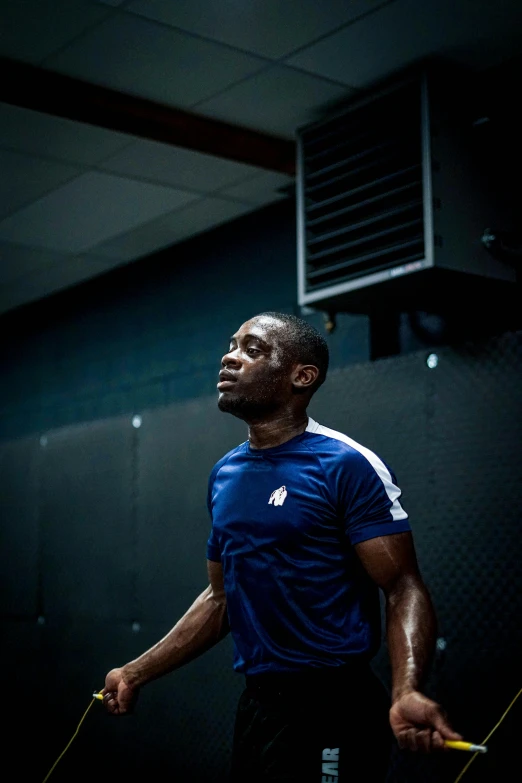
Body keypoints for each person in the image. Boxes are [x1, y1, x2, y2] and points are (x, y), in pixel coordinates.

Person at [102, 311, 461, 781]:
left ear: (302, 376)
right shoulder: (225, 475)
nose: (229, 358)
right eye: (231, 346)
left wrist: (406, 689)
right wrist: (135, 672)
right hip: (258, 706)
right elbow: (220, 598)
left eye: (252, 350)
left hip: (333, 705)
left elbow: (402, 587)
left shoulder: (346, 465)